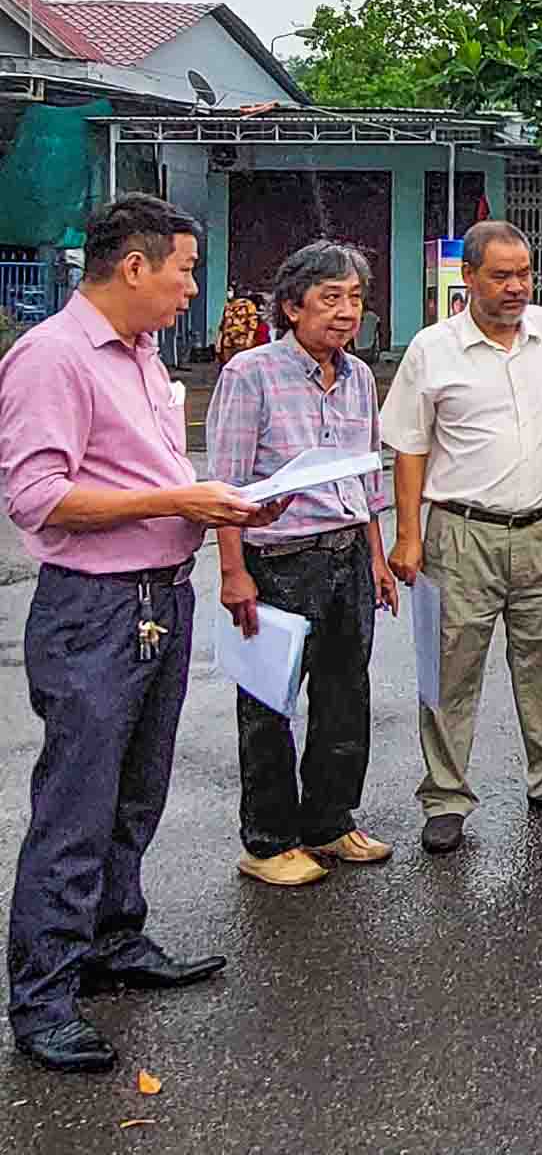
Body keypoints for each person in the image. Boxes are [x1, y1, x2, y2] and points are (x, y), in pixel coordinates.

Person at [0, 195, 278, 1073]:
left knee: (136, 792)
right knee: (75, 808)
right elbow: (39, 500)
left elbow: (144, 471)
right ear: (133, 267)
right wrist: (178, 500)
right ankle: (43, 998)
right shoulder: (53, 357)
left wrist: (214, 500)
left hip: (161, 593)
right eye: (184, 269)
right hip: (94, 607)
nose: (192, 289)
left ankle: (113, 942)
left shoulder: (146, 356)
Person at [378, 221, 542, 856]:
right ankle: (446, 798)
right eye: (501, 275)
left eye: (524, 273)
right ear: (469, 278)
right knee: (450, 670)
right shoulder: (433, 348)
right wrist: (408, 536)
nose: (515, 287)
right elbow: (410, 448)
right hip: (461, 533)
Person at [206, 241, 398, 889]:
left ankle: (329, 821)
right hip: (279, 561)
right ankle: (267, 841)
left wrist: (376, 558)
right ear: (292, 306)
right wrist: (233, 573)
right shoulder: (251, 374)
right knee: (268, 704)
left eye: (355, 299)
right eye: (330, 298)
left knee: (346, 697)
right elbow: (228, 486)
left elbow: (368, 477)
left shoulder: (360, 377)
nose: (346, 312)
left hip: (346, 555)